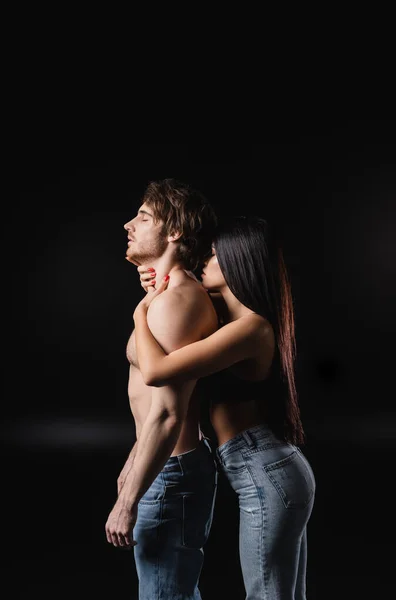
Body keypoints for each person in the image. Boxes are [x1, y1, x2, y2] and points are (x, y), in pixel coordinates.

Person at [133, 215, 316, 600]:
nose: (204, 261)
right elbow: (185, 295)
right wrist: (156, 284)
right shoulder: (227, 314)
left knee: (267, 595)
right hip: (272, 468)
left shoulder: (250, 328)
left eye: (214, 255)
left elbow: (156, 370)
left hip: (264, 471)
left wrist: (140, 313)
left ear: (237, 263)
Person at [105, 178, 219, 600]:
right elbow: (162, 402)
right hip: (164, 468)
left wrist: (127, 501)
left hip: (171, 474)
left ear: (174, 232)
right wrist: (135, 460)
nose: (128, 224)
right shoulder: (165, 296)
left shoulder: (175, 301)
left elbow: (171, 411)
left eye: (144, 216)